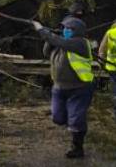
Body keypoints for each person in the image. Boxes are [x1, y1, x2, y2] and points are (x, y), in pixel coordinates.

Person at [33, 16, 95, 159]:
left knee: (76, 119)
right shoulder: (61, 43)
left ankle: (77, 147)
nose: (66, 31)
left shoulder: (80, 43)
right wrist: (50, 36)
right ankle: (74, 125)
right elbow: (47, 51)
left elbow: (58, 41)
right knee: (58, 118)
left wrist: (42, 30)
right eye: (64, 28)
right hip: (59, 87)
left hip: (79, 88)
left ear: (77, 31)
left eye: (69, 29)